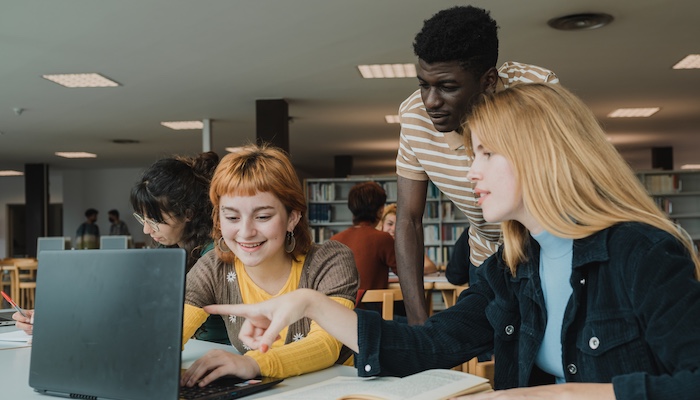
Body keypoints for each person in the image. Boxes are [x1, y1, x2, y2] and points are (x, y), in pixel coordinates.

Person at [202, 84, 700, 399]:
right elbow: (429, 344)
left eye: (485, 153)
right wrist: (311, 304)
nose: (471, 170)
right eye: (470, 153)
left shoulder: (644, 253)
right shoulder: (511, 266)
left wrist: (567, 395)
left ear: (541, 156)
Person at [394, 5, 559, 324]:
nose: (430, 101)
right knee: (494, 353)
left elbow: (560, 191)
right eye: (423, 84)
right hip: (488, 257)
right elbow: (408, 219)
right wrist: (418, 322)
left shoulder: (535, 91)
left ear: (489, 81)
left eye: (447, 86)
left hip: (548, 248)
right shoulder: (415, 116)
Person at [179, 144, 358, 386]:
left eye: (263, 216)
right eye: (231, 217)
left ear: (292, 218)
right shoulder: (213, 268)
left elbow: (326, 345)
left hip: (331, 389)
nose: (245, 232)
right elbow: (170, 338)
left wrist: (254, 364)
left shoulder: (329, 261)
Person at [13, 152, 225, 341]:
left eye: (154, 221)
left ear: (188, 213)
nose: (146, 231)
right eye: (142, 220)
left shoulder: (213, 257)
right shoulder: (169, 251)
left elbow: (161, 325)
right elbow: (124, 302)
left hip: (216, 356)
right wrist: (52, 319)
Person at [331, 182, 397, 305]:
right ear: (380, 211)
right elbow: (405, 274)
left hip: (340, 313)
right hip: (372, 315)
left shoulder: (335, 240)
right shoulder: (383, 238)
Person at [378, 203, 437, 275]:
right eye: (390, 224)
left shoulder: (407, 246)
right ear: (382, 225)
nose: (393, 229)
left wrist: (411, 274)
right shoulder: (377, 244)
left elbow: (431, 267)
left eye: (398, 225)